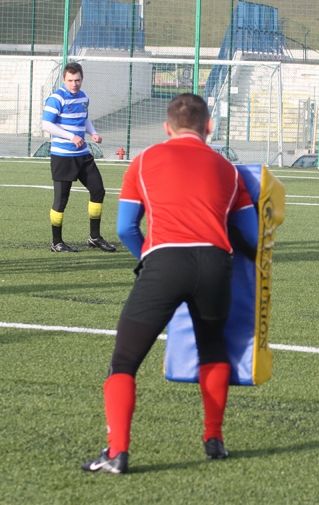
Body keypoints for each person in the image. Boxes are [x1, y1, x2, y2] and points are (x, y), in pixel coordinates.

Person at [82, 93, 257, 474]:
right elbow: (252, 236)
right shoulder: (229, 170)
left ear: (166, 127)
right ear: (208, 126)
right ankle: (214, 439)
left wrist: (148, 259)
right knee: (212, 348)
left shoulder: (144, 161)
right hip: (215, 265)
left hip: (165, 262)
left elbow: (126, 228)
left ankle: (117, 452)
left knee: (124, 361)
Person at [42, 62, 116, 253]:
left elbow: (85, 118)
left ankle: (94, 237)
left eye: (77, 80)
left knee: (98, 190)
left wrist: (93, 133)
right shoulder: (57, 98)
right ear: (64, 79)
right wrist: (71, 136)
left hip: (83, 155)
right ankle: (56, 242)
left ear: (82, 79)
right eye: (70, 80)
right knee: (61, 200)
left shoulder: (84, 97)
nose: (74, 84)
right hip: (63, 157)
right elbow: (47, 125)